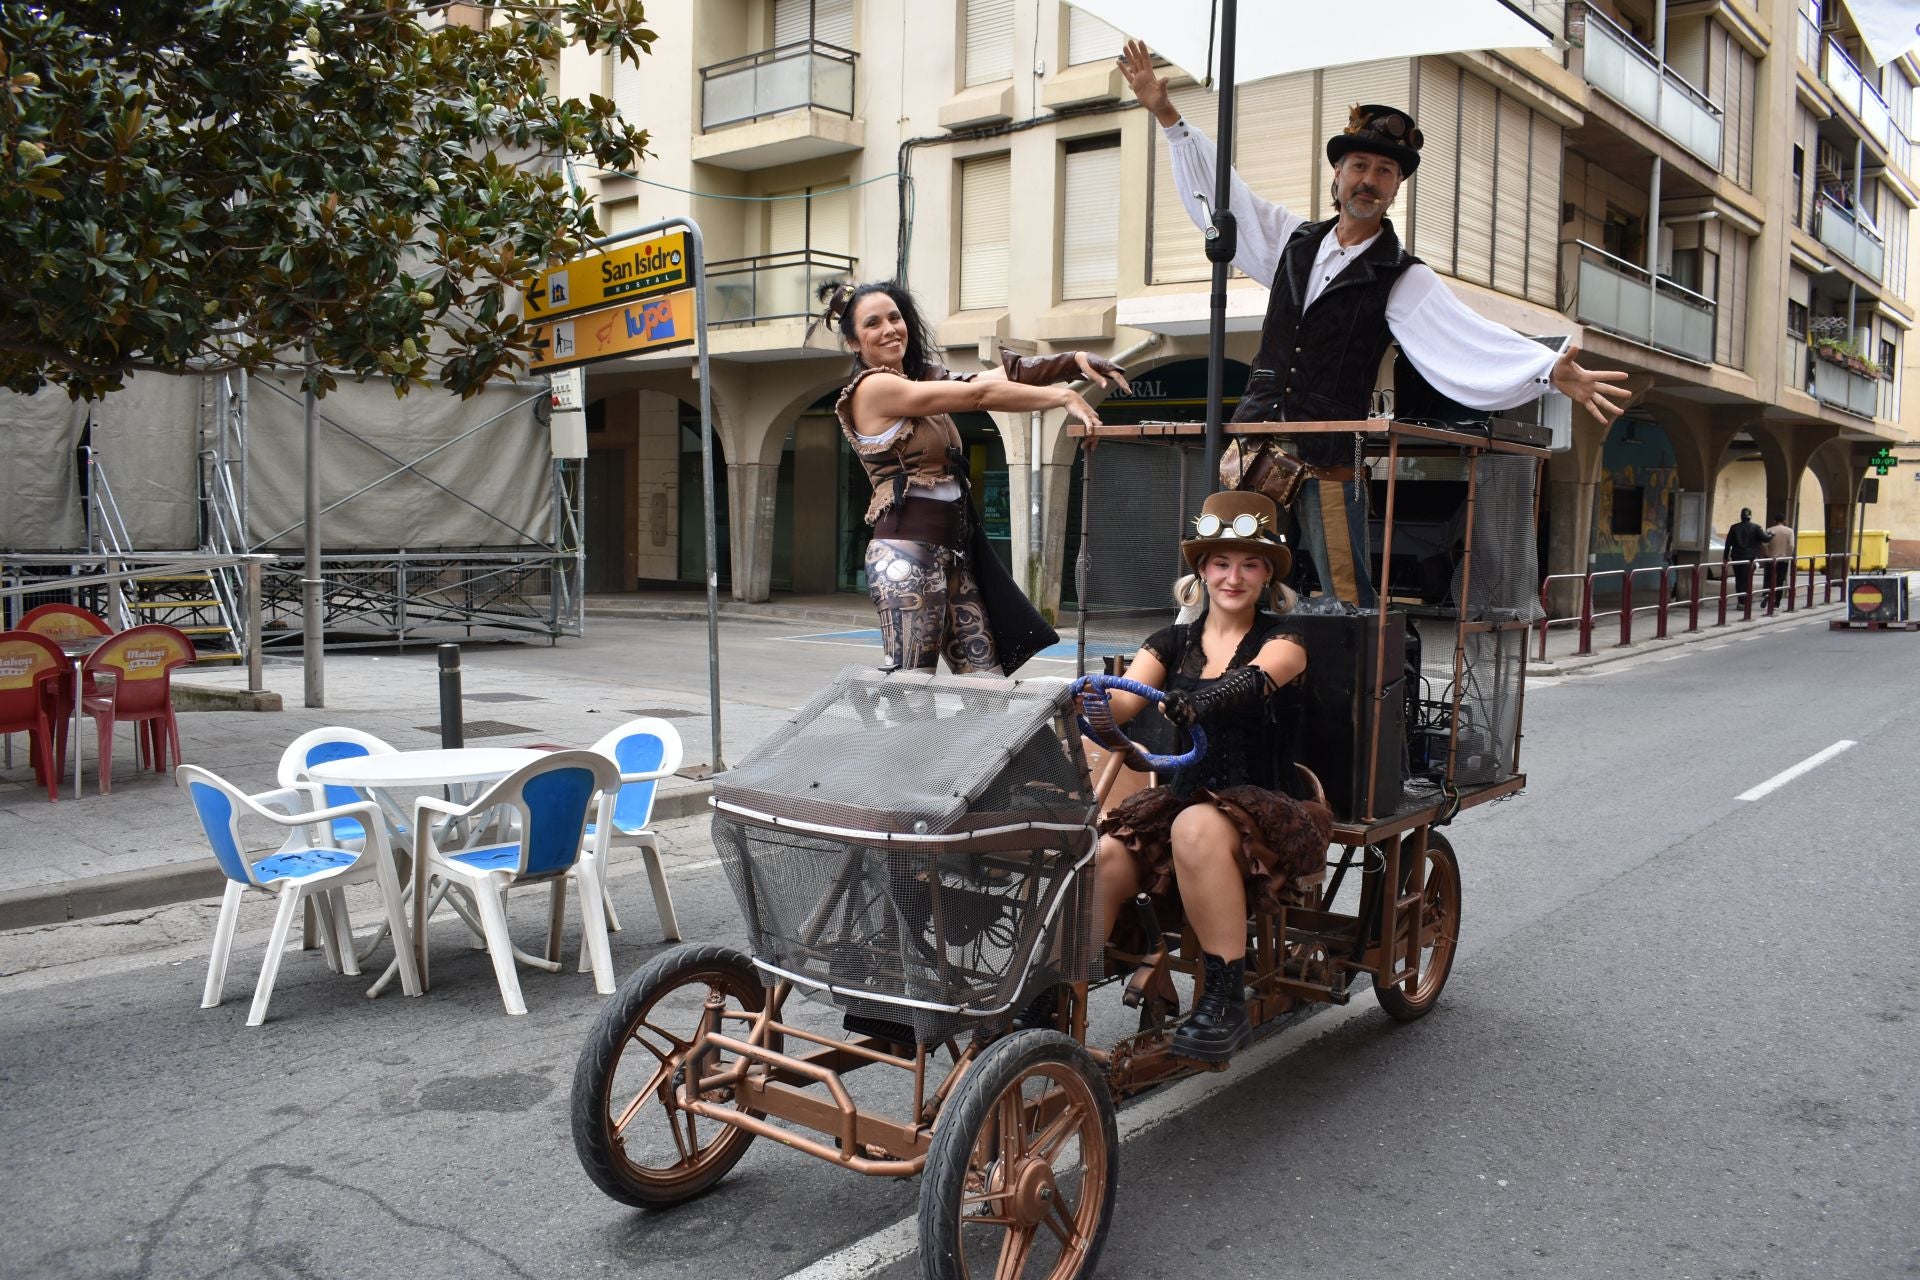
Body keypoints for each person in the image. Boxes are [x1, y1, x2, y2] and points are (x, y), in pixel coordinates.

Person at [1119, 40, 1629, 607]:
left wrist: (1548, 370)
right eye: (1359, 165)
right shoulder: (1292, 240)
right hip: (1256, 441)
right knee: (1226, 572)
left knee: (1345, 592)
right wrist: (1167, 116)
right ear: (1337, 175)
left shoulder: (1401, 275)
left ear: (1395, 189)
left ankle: (1348, 689)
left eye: (1384, 171)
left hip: (1333, 452)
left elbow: (1463, 336)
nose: (1369, 178)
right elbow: (1226, 199)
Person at [1073, 489, 1333, 1062]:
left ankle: (1223, 1001)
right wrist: (1076, 704)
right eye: (1220, 562)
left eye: (1248, 563)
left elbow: (1260, 678)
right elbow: (1121, 703)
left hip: (1267, 805)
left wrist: (1204, 700)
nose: (1232, 576)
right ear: (1200, 571)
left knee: (1192, 825)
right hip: (1190, 804)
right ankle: (1056, 997)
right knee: (1107, 855)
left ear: (1268, 575)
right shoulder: (1172, 642)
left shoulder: (1285, 641)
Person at [826, 279, 1129, 675]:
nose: (889, 329)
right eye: (872, 323)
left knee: (988, 688)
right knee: (911, 691)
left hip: (953, 551)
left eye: (895, 317)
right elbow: (978, 397)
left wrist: (1072, 362)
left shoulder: (920, 380)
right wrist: (1063, 396)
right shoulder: (874, 388)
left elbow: (988, 381)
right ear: (854, 341)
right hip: (906, 555)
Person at [1722, 507, 1769, 605]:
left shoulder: (1734, 527)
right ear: (1750, 517)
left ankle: (1741, 601)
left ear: (1741, 516)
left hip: (1737, 557)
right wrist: (1771, 535)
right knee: (1747, 579)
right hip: (1750, 558)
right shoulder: (1756, 528)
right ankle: (1746, 600)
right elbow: (1765, 539)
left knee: (1739, 579)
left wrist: (1725, 557)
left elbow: (1728, 544)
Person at [1765, 512, 1796, 606]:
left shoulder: (1769, 530)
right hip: (1783, 559)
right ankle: (1777, 601)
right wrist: (1788, 555)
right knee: (1780, 580)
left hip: (1771, 559)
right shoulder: (1789, 531)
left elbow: (1764, 543)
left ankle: (1768, 594)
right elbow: (1791, 545)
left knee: (1770, 579)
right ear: (1784, 521)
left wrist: (1767, 554)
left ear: (1774, 521)